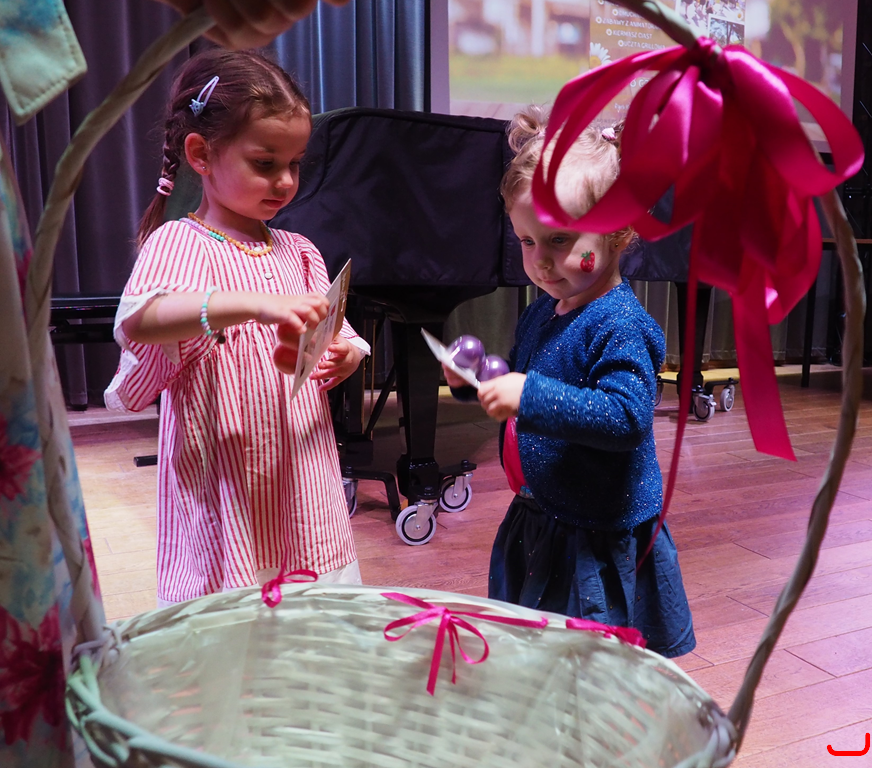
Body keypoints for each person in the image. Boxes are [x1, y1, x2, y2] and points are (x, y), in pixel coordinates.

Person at [105, 47, 369, 606]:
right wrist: (249, 304)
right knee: (236, 614)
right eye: (265, 163)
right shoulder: (179, 241)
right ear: (201, 154)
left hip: (301, 476)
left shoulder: (299, 251)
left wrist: (347, 352)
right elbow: (141, 319)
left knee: (311, 606)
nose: (285, 181)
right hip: (226, 482)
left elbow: (333, 326)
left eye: (295, 164)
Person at [443, 106, 695, 658]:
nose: (539, 262)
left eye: (558, 240)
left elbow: (625, 416)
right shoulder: (543, 310)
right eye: (526, 241)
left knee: (591, 658)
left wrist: (528, 393)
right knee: (537, 645)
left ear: (617, 231)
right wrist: (473, 380)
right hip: (543, 510)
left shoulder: (620, 324)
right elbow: (514, 383)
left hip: (595, 530)